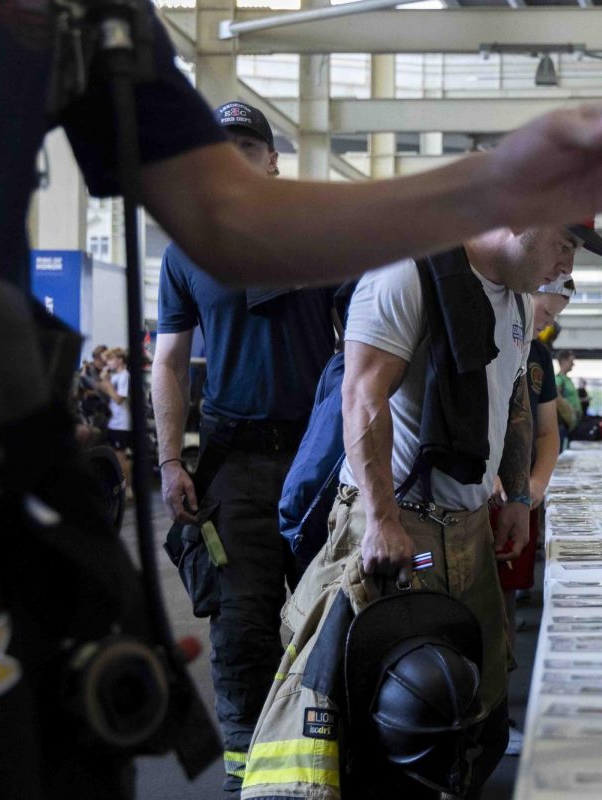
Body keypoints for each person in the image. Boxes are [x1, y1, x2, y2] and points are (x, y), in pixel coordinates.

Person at [0, 2, 602, 794]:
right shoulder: (394, 281)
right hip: (264, 469)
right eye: (560, 241)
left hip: (10, 487)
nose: (562, 261)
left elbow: (227, 213)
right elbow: (323, 378)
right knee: (268, 644)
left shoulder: (84, 19)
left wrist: (493, 183)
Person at [245, 224, 588, 800]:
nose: (567, 264)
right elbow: (362, 395)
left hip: (469, 534)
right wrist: (381, 520)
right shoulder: (406, 273)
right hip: (401, 533)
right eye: (565, 244)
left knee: (467, 715)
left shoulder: (519, 308)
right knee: (384, 709)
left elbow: (514, 405)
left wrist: (518, 497)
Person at [151, 101, 339, 792]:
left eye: (246, 146)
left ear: (271, 161)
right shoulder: (185, 252)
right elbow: (168, 362)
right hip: (235, 470)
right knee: (240, 632)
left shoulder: (321, 242)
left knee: (328, 621)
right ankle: (247, 780)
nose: (234, 158)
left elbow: (373, 346)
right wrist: (171, 460)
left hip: (318, 465)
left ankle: (323, 768)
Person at [494, 275, 581, 757]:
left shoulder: (538, 356)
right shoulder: (484, 326)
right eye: (546, 313)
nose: (546, 324)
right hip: (466, 495)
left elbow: (546, 433)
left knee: (503, 607)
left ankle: (496, 713)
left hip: (516, 500)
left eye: (552, 317)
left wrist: (533, 489)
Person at [98, 347, 132, 493]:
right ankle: (119, 485)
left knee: (120, 457)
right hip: (114, 421)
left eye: (111, 359)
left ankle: (128, 489)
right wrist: (103, 380)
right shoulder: (115, 376)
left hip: (122, 423)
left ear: (119, 360)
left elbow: (118, 399)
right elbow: (105, 392)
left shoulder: (125, 376)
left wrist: (107, 382)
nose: (109, 363)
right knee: (114, 456)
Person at [554, 349, 581, 449]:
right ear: (564, 361)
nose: (573, 364)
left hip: (571, 424)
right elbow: (556, 396)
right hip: (564, 423)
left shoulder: (567, 379)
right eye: (571, 361)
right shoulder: (559, 379)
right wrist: (568, 410)